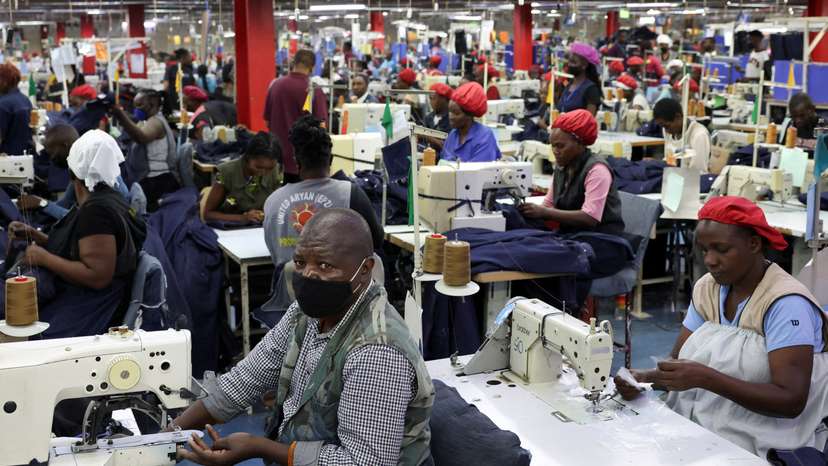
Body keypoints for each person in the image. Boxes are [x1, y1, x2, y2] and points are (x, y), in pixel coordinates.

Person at [174, 208, 434, 466]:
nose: (308, 275)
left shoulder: (376, 351)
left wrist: (260, 447)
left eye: (324, 265)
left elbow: (363, 463)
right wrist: (168, 436)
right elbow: (243, 381)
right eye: (300, 263)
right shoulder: (305, 314)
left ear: (365, 269)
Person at [615, 196, 828, 457]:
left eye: (722, 249)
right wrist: (644, 379)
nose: (710, 260)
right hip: (702, 426)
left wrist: (706, 379)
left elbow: (791, 400)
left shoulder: (786, 304)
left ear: (753, 243)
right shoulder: (708, 288)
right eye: (704, 250)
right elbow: (678, 363)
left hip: (763, 443)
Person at [2, 130, 146, 338]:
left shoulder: (96, 211)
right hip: (90, 299)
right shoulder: (109, 197)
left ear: (72, 170)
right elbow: (81, 249)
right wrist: (38, 236)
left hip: (89, 308)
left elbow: (97, 276)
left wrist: (44, 258)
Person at [263, 115, 383, 268]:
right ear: (331, 160)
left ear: (297, 162)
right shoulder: (350, 194)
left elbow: (274, 248)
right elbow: (377, 240)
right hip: (334, 289)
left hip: (287, 288)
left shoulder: (273, 200)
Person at [519, 109, 623, 235]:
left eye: (560, 146)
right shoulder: (561, 167)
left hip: (601, 240)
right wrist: (526, 211)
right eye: (552, 146)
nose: (555, 151)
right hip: (572, 237)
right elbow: (548, 204)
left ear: (580, 143)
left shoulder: (597, 170)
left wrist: (544, 212)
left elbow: (590, 218)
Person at [18, 124, 129, 220]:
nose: (52, 159)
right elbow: (65, 204)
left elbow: (84, 219)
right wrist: (37, 202)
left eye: (52, 153)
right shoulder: (77, 168)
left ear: (65, 146)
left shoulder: (93, 172)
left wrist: (42, 204)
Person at [264, 49, 328, 184]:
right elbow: (322, 127)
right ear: (312, 67)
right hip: (304, 164)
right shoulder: (314, 90)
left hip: (276, 161)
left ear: (294, 63)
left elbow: (267, 121)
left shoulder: (275, 86)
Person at [111, 88, 179, 209]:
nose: (136, 109)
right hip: (149, 178)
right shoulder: (146, 121)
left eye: (140, 105)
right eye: (135, 105)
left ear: (152, 104)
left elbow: (141, 137)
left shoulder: (156, 122)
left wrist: (120, 115)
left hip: (158, 181)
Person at [203, 132, 281, 225]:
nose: (263, 172)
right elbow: (208, 214)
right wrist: (242, 218)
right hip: (232, 231)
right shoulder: (226, 173)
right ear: (247, 158)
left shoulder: (276, 171)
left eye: (269, 168)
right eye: (258, 167)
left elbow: (279, 209)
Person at [441, 82, 501, 162]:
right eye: (450, 111)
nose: (451, 117)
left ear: (469, 114)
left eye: (456, 113)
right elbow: (443, 162)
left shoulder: (484, 137)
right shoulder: (453, 135)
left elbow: (479, 171)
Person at [653, 97, 711, 172]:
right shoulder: (668, 131)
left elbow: (697, 173)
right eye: (663, 127)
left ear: (678, 117)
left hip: (693, 181)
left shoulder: (699, 135)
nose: (666, 131)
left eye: (667, 126)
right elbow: (670, 161)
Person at [556, 42, 602, 115]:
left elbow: (588, 121)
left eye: (573, 62)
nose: (569, 65)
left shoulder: (591, 89)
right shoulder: (569, 84)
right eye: (569, 62)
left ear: (584, 65)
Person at [0, 63, 34, 155]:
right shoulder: (25, 99)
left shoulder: (3, 104)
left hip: (6, 158)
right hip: (24, 155)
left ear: (3, 81)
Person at [163, 48, 196, 114]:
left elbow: (193, 86)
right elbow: (166, 86)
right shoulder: (171, 69)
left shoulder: (189, 70)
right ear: (183, 58)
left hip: (187, 104)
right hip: (173, 104)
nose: (190, 58)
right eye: (189, 56)